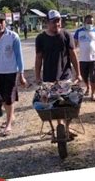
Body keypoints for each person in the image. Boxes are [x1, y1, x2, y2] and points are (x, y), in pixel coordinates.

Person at [35, 9, 83, 138]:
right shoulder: (41, 38)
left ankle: (66, 128)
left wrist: (78, 73)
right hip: (48, 78)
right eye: (53, 21)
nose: (57, 24)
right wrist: (38, 77)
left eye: (58, 21)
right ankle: (54, 128)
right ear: (47, 22)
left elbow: (73, 55)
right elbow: (38, 58)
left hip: (65, 76)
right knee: (49, 105)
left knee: (68, 104)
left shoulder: (66, 35)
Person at [0, 12, 26, 136]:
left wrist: (21, 73)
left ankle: (8, 124)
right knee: (2, 98)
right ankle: (11, 116)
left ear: (5, 22)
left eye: (1, 21)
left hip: (11, 72)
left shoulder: (13, 36)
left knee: (9, 99)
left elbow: (19, 56)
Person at [74, 15, 95, 101]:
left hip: (94, 58)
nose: (90, 24)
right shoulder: (78, 32)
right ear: (84, 22)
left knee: (93, 76)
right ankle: (87, 87)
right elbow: (74, 44)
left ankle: (93, 94)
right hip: (82, 59)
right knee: (84, 76)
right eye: (88, 22)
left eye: (91, 22)